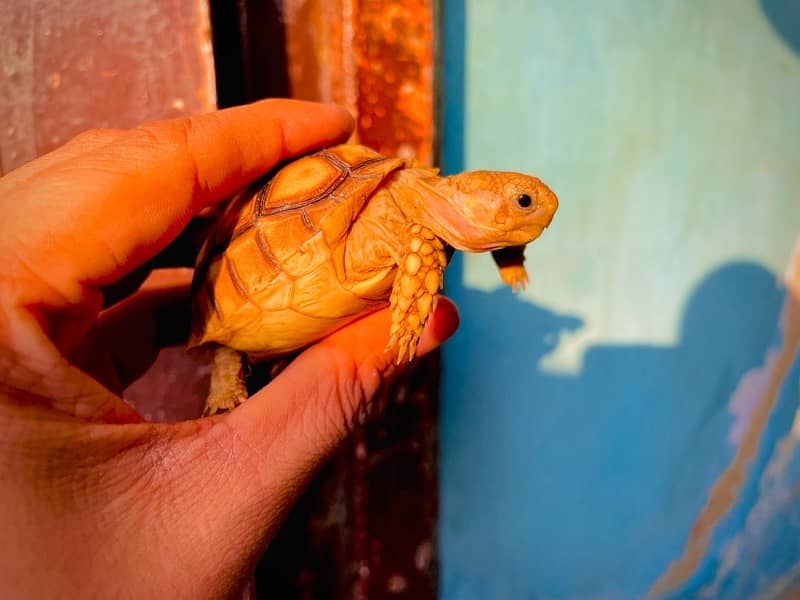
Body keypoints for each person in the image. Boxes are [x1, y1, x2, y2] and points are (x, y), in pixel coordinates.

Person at [0, 99, 459, 597]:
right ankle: (228, 362)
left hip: (290, 294)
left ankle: (230, 359)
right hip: (264, 268)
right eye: (521, 204)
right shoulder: (405, 212)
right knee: (233, 353)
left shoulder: (430, 210)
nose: (532, 215)